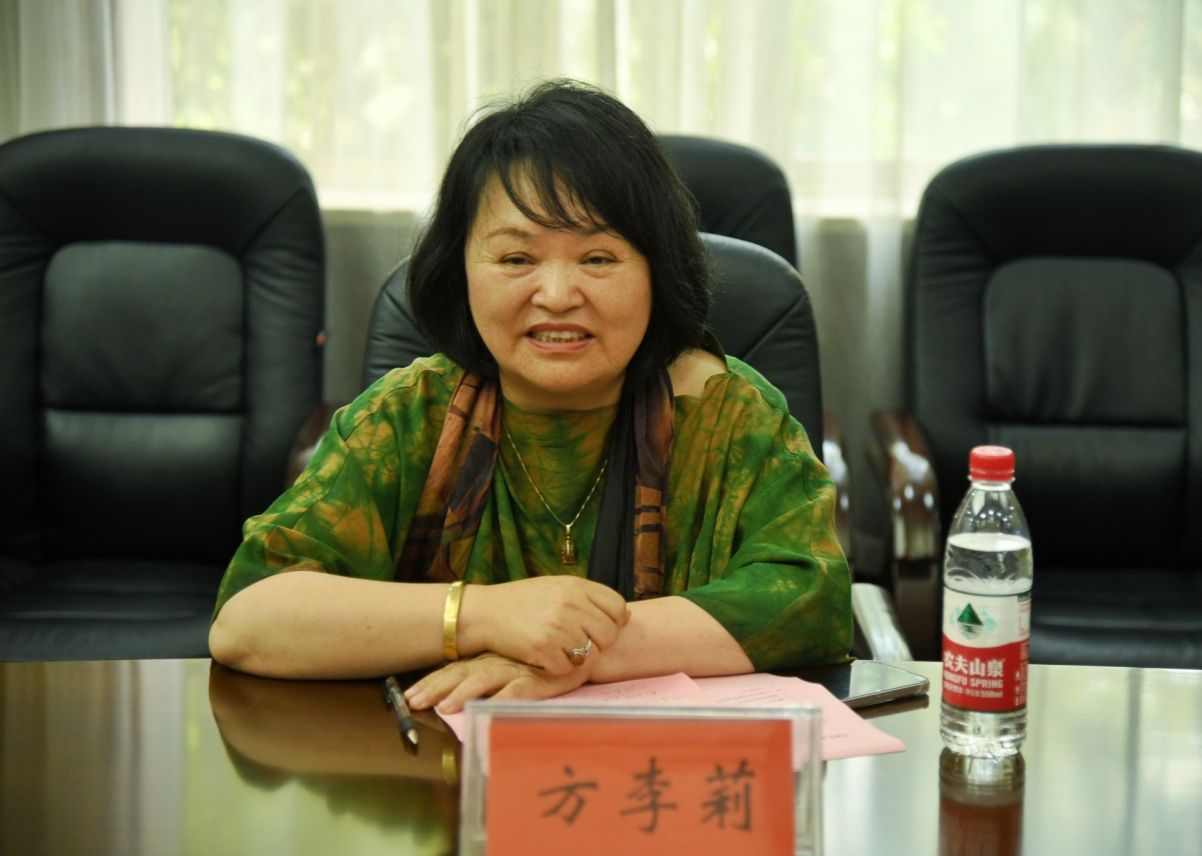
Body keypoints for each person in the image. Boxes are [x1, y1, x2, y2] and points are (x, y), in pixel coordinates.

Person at [208, 78, 851, 714]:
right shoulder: (407, 417)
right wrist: (483, 616)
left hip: (666, 770)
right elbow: (248, 618)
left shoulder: (730, 415)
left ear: (658, 271)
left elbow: (811, 600)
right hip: (444, 769)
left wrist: (574, 655)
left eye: (598, 258)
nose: (558, 295)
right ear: (460, 271)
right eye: (517, 259)